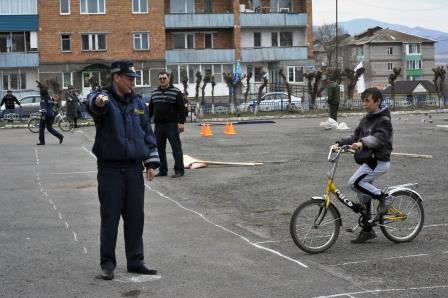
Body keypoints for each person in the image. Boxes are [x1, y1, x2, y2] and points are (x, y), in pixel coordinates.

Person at [87, 60, 160, 281]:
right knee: (110, 218)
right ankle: (107, 264)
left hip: (133, 170)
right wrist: (98, 103)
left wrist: (151, 163)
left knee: (135, 217)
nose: (132, 83)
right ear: (116, 77)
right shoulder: (104, 99)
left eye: (133, 79)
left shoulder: (138, 102)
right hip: (110, 169)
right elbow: (93, 105)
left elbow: (147, 133)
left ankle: (136, 261)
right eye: (129, 78)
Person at [332, 87, 393, 244]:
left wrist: (362, 143)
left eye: (368, 101)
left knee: (355, 183)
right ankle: (367, 230)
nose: (364, 104)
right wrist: (340, 142)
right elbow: (355, 135)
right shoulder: (366, 119)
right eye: (363, 100)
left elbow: (378, 139)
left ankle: (384, 198)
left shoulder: (384, 121)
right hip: (369, 161)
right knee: (363, 195)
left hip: (378, 162)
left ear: (378, 101)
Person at [148, 71, 186, 178]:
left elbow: (182, 109)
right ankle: (163, 170)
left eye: (164, 78)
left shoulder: (176, 92)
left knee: (176, 148)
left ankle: (179, 170)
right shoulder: (154, 92)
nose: (162, 80)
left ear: (169, 78)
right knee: (159, 149)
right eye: (160, 79)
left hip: (172, 124)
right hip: (158, 125)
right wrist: (146, 122)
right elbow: (150, 109)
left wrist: (181, 123)